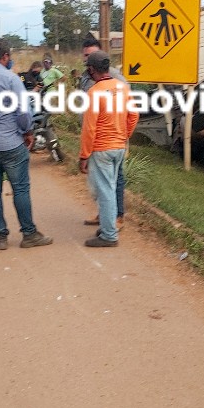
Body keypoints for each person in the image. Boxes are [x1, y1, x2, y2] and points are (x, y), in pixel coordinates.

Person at [0, 37, 53, 251]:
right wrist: (28, 132)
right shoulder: (11, 79)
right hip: (10, 143)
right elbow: (23, 113)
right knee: (20, 188)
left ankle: (0, 236)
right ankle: (29, 234)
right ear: (5, 56)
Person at [79, 50, 138, 248]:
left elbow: (89, 128)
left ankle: (109, 235)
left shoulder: (94, 93)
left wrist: (84, 155)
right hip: (119, 147)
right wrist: (124, 135)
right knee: (111, 188)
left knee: (104, 192)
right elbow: (134, 115)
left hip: (101, 149)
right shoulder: (122, 88)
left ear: (91, 70)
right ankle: (107, 225)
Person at [78, 35, 128, 229]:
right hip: (94, 137)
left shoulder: (116, 77)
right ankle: (104, 214)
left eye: (91, 55)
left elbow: (128, 105)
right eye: (85, 56)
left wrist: (124, 134)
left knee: (116, 178)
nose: (87, 59)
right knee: (99, 180)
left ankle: (117, 217)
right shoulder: (85, 77)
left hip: (111, 136)